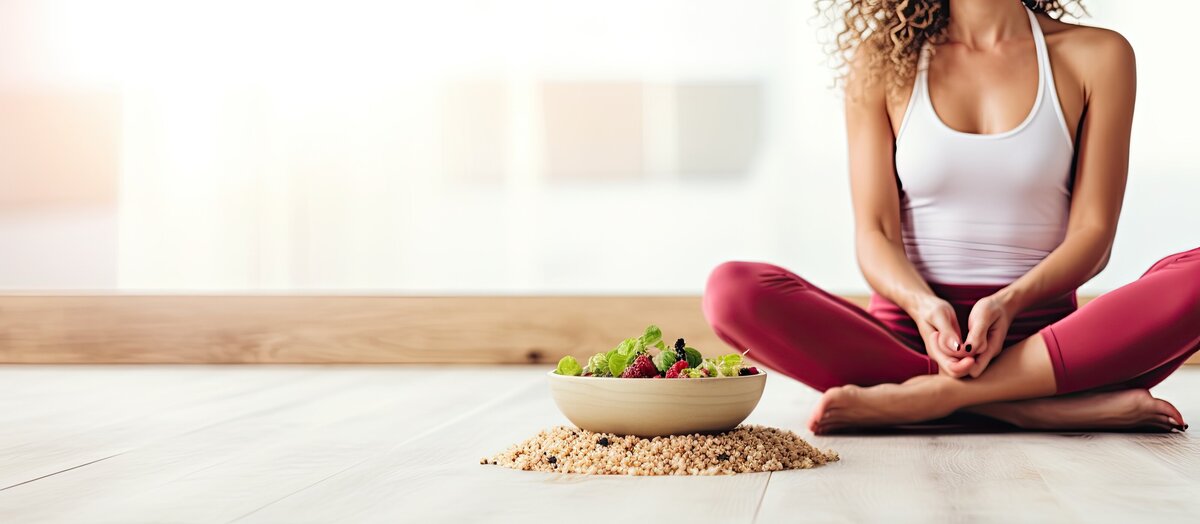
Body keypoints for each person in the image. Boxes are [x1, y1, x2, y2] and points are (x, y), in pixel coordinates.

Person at [703, 0, 1200, 434]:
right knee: (731, 291)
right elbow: (874, 234)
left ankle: (934, 399)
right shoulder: (882, 61)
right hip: (906, 341)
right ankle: (1029, 409)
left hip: (1052, 348)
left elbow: (1094, 235)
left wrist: (1008, 303)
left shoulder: (1099, 55)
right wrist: (923, 307)